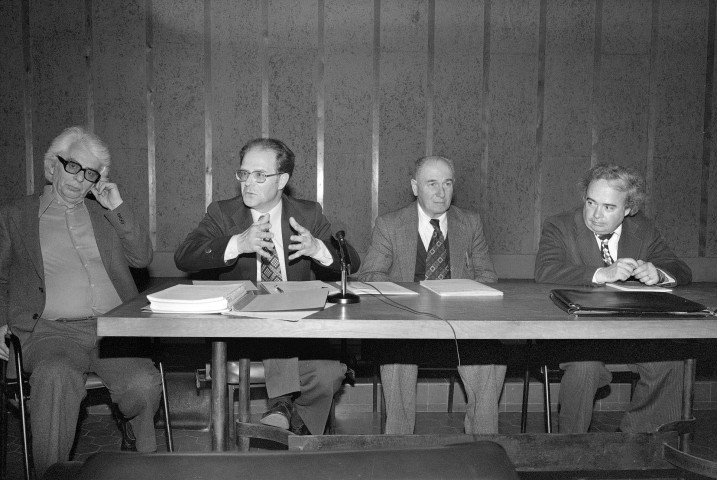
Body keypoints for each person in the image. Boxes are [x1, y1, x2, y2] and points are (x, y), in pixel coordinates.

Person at [0, 126, 162, 477]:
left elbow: (141, 257)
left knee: (143, 384)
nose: (79, 178)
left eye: (89, 173)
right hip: (51, 332)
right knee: (55, 376)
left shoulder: (105, 214)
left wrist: (116, 205)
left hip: (112, 329)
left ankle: (135, 438)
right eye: (72, 166)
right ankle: (51, 471)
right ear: (51, 166)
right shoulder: (16, 214)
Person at [174, 137, 360, 436]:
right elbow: (184, 256)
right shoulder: (223, 213)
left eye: (260, 175)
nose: (249, 183)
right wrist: (238, 243)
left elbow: (351, 261)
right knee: (272, 312)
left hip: (299, 330)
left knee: (328, 374)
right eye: (244, 174)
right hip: (242, 331)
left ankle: (290, 424)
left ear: (282, 180)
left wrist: (317, 249)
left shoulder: (308, 214)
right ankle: (283, 408)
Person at [534, 163, 692, 433]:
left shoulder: (643, 229)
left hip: (628, 335)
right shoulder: (560, 225)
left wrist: (659, 274)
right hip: (577, 338)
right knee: (585, 368)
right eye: (591, 202)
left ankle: (636, 442)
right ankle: (571, 450)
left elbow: (680, 269)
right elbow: (545, 270)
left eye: (608, 207)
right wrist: (601, 273)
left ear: (629, 209)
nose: (595, 215)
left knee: (670, 363)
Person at [357, 155, 506, 435]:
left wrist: (459, 292)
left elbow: (488, 277)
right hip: (408, 323)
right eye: (432, 184)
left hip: (460, 325)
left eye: (447, 183)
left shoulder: (470, 223)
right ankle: (399, 445)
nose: (441, 192)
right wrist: (414, 295)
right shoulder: (390, 224)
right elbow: (369, 276)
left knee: (489, 358)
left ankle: (483, 446)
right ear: (415, 187)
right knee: (395, 356)